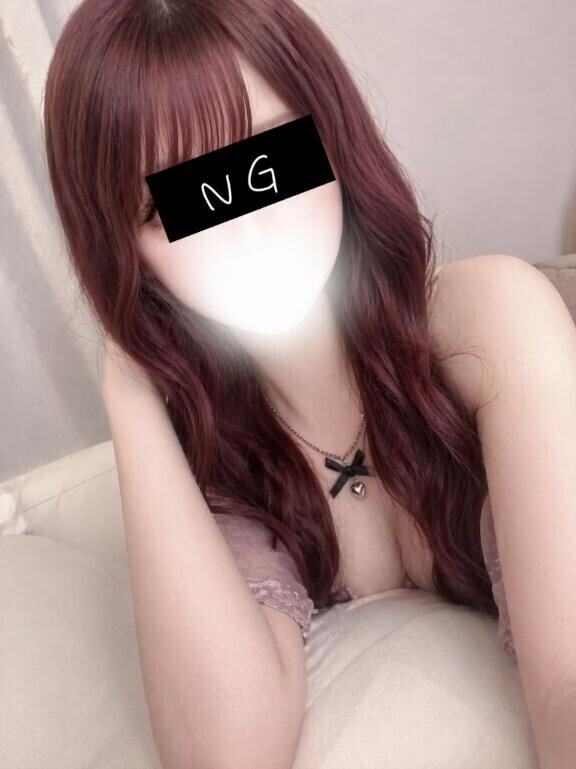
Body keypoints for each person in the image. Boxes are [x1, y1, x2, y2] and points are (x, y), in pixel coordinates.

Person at [43, 2, 576, 768]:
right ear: (123, 253)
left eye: (267, 162)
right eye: (177, 204)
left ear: (331, 135)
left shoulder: (488, 322)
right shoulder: (220, 456)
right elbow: (227, 752)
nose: (244, 224)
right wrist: (126, 379)